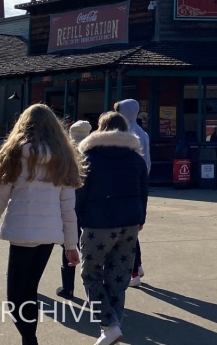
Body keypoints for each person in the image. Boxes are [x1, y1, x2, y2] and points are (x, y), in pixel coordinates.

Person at [0, 104, 81, 345]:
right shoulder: (63, 159)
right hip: (49, 236)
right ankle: (29, 339)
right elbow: (68, 209)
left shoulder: (13, 155)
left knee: (15, 296)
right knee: (30, 290)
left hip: (21, 234)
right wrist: (71, 245)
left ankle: (29, 339)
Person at [76, 111, 148, 345]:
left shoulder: (88, 157)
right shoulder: (136, 159)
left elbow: (80, 195)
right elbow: (143, 194)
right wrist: (141, 218)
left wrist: (75, 222)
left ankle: (109, 325)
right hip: (130, 224)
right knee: (118, 278)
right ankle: (114, 326)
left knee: (91, 274)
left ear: (100, 128)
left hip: (97, 225)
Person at [113, 99, 150, 288]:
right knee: (133, 230)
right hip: (138, 185)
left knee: (127, 233)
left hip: (128, 186)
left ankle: (134, 272)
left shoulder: (128, 133)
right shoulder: (142, 132)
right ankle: (139, 265)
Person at [56, 119, 92, 300]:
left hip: (69, 206)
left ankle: (68, 288)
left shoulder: (65, 155)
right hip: (89, 208)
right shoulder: (93, 155)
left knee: (68, 246)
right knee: (88, 248)